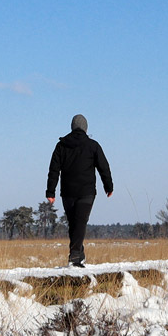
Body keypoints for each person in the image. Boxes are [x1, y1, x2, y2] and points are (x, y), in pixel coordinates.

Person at [45, 114, 113, 268]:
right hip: (87, 191)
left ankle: (77, 255)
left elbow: (53, 170)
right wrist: (108, 186)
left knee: (76, 223)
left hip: (67, 191)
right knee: (79, 223)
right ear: (85, 128)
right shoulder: (93, 145)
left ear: (72, 127)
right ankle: (76, 255)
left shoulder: (61, 146)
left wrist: (51, 191)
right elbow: (104, 167)